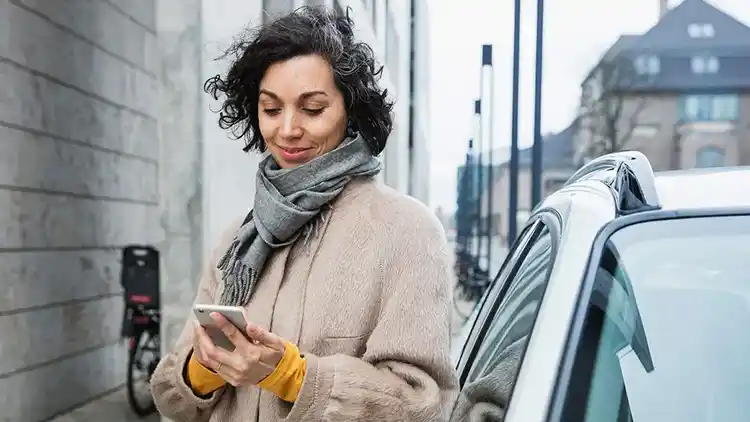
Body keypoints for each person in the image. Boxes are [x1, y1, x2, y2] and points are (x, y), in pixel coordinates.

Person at [150, 6, 458, 422]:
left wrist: (291, 376)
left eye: (312, 109)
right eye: (271, 109)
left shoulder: (407, 232)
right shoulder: (241, 238)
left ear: (350, 109)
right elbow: (171, 398)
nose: (288, 129)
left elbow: (423, 404)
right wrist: (203, 368)